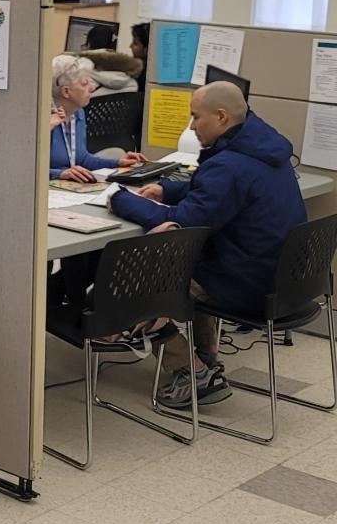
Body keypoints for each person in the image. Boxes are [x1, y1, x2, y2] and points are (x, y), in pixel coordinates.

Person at [109, 81, 305, 408]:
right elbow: (216, 192)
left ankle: (193, 372)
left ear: (221, 117)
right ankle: (207, 357)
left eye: (196, 117)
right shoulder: (264, 150)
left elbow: (183, 223)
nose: (191, 126)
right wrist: (168, 190)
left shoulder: (229, 165)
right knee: (195, 262)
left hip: (246, 285)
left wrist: (119, 199)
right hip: (284, 281)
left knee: (139, 285)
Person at [49, 55, 146, 183]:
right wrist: (60, 174)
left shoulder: (78, 113)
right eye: (84, 84)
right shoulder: (44, 120)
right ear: (66, 91)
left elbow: (83, 159)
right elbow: (26, 167)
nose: (92, 88)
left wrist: (119, 163)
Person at [130, 22, 151, 91]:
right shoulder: (137, 68)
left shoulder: (147, 79)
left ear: (147, 50)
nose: (130, 46)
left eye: (135, 43)